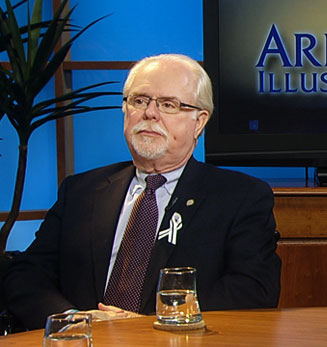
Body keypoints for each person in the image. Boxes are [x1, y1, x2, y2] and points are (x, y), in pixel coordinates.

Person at [3, 54, 282, 329]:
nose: (150, 113)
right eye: (139, 101)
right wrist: (75, 320)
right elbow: (26, 275)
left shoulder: (240, 197)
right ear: (125, 110)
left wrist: (152, 326)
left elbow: (253, 291)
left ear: (199, 122)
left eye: (168, 104)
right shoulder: (80, 191)